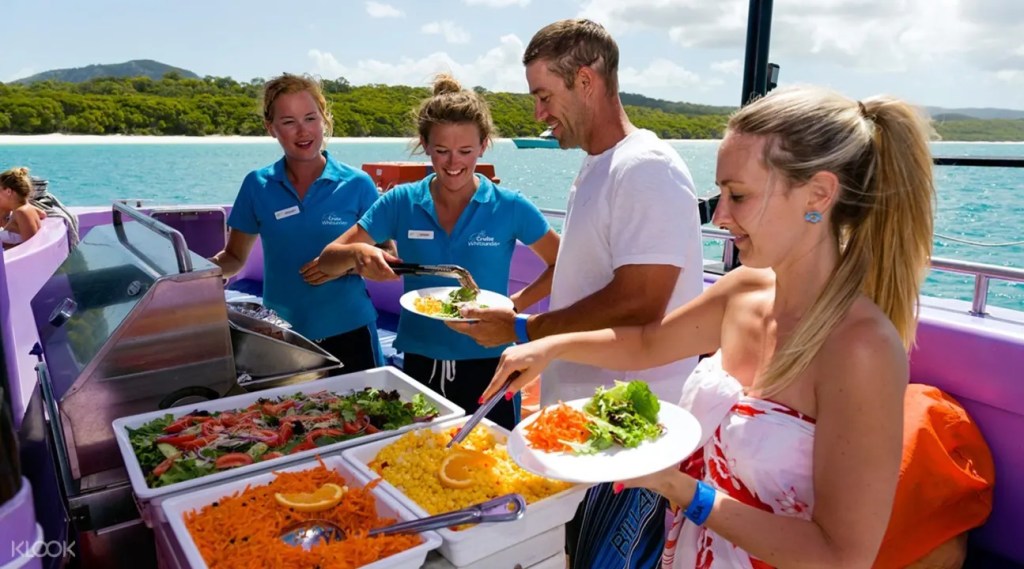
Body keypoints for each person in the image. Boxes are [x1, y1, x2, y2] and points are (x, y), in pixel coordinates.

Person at [482, 85, 952, 568]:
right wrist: (547, 346)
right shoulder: (743, 289)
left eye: (739, 195)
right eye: (720, 193)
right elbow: (649, 342)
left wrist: (680, 489)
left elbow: (841, 556)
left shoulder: (860, 349)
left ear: (819, 194)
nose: (720, 216)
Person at [451, 18, 705, 569]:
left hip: (634, 436)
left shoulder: (647, 168)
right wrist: (518, 312)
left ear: (586, 81)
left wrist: (526, 332)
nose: (539, 113)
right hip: (590, 429)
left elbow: (641, 298)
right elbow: (587, 279)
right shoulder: (598, 166)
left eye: (545, 95)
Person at [310, 73, 559, 430]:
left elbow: (561, 263)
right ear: (425, 145)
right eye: (441, 151)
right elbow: (328, 258)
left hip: (491, 365)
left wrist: (514, 305)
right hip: (419, 362)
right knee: (418, 465)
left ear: (484, 145)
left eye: (465, 151)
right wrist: (357, 256)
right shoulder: (400, 201)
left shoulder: (510, 206)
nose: (453, 163)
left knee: (492, 470)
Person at [210, 73, 383, 373]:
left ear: (324, 119)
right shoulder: (257, 185)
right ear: (271, 128)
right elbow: (235, 258)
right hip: (282, 338)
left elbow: (386, 257)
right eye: (288, 121)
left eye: (310, 118)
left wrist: (341, 263)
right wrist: (192, 278)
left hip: (351, 332)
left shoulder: (358, 184)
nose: (303, 131)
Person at [0, 167, 48, 248]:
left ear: (8, 191)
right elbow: (43, 214)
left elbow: (30, 247)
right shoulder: (27, 208)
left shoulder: (21, 212)